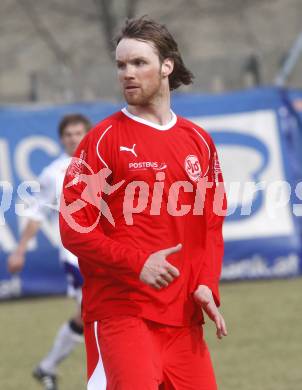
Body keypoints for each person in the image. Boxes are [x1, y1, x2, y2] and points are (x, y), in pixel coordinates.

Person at [60, 16, 227, 390]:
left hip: (183, 320)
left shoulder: (198, 140)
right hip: (123, 314)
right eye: (121, 65)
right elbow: (74, 229)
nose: (127, 74)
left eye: (139, 63)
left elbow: (211, 224)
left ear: (167, 66)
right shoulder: (101, 140)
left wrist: (205, 283)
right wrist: (139, 263)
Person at [7, 114, 93, 390]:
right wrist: (20, 250)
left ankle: (46, 367)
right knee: (94, 314)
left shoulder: (102, 163)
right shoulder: (53, 173)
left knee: (89, 316)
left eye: (78, 132)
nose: (73, 138)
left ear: (88, 134)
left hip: (107, 254)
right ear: (61, 139)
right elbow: (36, 214)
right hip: (75, 256)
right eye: (68, 134)